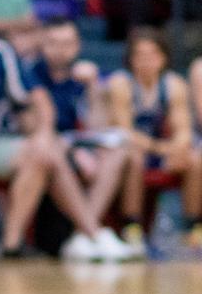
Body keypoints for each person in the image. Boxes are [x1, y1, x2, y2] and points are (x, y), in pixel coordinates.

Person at [33, 18, 137, 257]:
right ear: (42, 44)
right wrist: (72, 151)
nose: (61, 50)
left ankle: (81, 237)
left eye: (67, 43)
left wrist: (93, 87)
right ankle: (94, 233)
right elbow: (34, 129)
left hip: (77, 145)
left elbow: (96, 126)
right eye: (54, 43)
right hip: (48, 147)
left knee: (120, 153)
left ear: (78, 46)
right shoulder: (31, 74)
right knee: (54, 153)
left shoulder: (82, 77)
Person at [108, 31, 202, 250]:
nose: (146, 62)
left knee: (194, 160)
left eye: (152, 55)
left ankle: (193, 227)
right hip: (127, 150)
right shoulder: (120, 84)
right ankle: (132, 228)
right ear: (131, 59)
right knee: (135, 158)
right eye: (140, 56)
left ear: (163, 59)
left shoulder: (173, 85)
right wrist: (162, 148)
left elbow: (184, 130)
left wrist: (178, 147)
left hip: (158, 151)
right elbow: (125, 132)